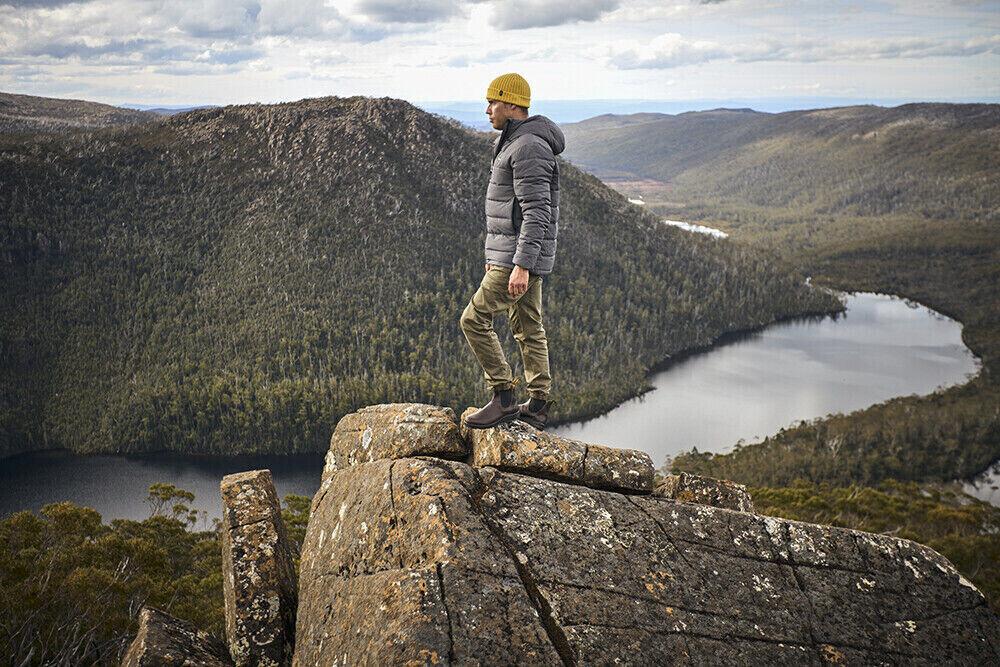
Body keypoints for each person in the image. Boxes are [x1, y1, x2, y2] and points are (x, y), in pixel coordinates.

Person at [460, 72, 564, 430]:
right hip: (512, 256)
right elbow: (511, 210)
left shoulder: (528, 146)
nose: (487, 109)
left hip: (518, 258)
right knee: (527, 325)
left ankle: (503, 396)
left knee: (473, 319)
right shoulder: (512, 141)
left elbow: (538, 212)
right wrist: (497, 258)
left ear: (512, 104)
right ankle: (537, 404)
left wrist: (519, 265)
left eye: (493, 102)